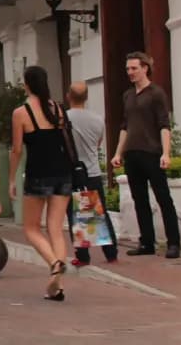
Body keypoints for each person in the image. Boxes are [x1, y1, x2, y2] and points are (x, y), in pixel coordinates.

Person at [10, 65, 73, 301]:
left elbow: (16, 150)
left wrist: (10, 180)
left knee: (31, 228)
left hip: (38, 174)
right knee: (55, 228)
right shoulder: (57, 108)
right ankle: (58, 287)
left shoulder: (21, 112)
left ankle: (54, 264)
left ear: (27, 84)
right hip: (63, 173)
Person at [111, 51, 180, 259]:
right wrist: (118, 152)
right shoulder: (128, 95)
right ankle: (147, 242)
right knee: (139, 199)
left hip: (152, 152)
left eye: (134, 68)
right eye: (128, 69)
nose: (130, 72)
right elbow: (125, 125)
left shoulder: (156, 93)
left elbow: (164, 125)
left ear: (145, 68)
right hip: (132, 154)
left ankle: (173, 243)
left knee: (163, 198)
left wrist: (166, 153)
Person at [66, 81, 118, 266]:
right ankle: (111, 253)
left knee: (76, 213)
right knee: (100, 211)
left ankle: (82, 255)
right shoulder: (97, 119)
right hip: (93, 170)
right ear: (86, 97)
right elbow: (98, 143)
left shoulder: (64, 118)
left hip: (73, 171)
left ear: (68, 96)